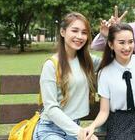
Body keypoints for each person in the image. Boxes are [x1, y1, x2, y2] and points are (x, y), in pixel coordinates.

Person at [33, 12, 99, 140]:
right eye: (74, 31)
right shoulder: (51, 65)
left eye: (84, 32)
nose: (79, 36)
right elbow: (51, 108)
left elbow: (113, 61)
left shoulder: (87, 60)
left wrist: (107, 34)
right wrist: (81, 132)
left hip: (75, 127)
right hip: (50, 130)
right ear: (63, 32)